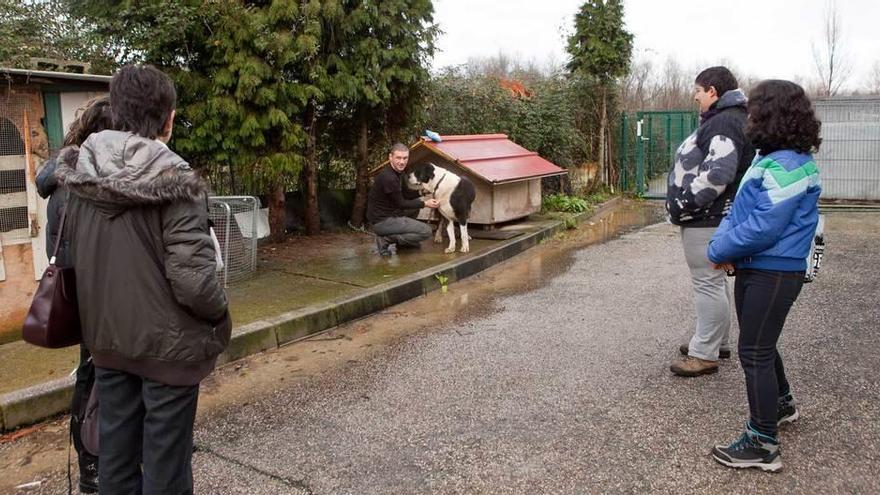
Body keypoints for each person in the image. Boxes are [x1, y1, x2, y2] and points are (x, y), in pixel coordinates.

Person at [56, 65, 230, 494]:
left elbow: (75, 258)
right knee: (166, 468)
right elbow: (193, 281)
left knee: (116, 459)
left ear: (117, 110)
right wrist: (220, 314)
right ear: (168, 117)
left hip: (108, 342)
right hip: (167, 349)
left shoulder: (79, 175)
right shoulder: (177, 181)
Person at [709, 79, 821, 472]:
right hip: (760, 267)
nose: (749, 116)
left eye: (756, 109)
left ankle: (762, 442)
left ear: (773, 114)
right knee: (762, 344)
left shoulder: (788, 165)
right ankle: (781, 404)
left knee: (753, 352)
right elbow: (739, 213)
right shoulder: (771, 157)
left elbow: (763, 227)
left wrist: (717, 250)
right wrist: (724, 243)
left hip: (772, 271)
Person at [35, 96, 112, 494]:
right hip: (95, 297)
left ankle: (91, 465)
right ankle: (92, 466)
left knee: (90, 377)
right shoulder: (86, 181)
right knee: (96, 381)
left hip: (79, 293)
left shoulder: (61, 176)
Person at [666, 66, 755, 377]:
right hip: (712, 216)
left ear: (713, 92)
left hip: (707, 217)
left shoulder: (725, 122)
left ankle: (705, 354)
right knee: (714, 282)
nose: (695, 96)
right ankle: (717, 343)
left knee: (706, 282)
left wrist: (682, 204)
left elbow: (717, 174)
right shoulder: (730, 119)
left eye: (699, 91)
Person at [367, 143, 439, 256]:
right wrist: (425, 203)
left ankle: (403, 243)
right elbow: (401, 203)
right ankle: (386, 240)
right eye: (398, 158)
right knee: (426, 232)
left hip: (390, 214)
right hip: (382, 221)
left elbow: (405, 194)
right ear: (390, 157)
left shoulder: (398, 172)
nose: (402, 162)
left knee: (415, 209)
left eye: (405, 158)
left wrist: (422, 192)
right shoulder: (389, 177)